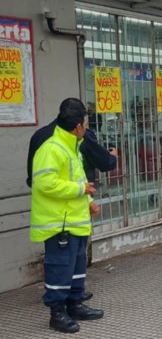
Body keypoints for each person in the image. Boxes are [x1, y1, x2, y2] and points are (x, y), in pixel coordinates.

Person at [26, 98, 117, 302]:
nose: (86, 128)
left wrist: (88, 201)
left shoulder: (71, 146)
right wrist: (80, 189)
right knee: (60, 270)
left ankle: (75, 304)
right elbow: (43, 183)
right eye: (85, 124)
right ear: (77, 127)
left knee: (76, 267)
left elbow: (76, 179)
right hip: (60, 221)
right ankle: (58, 313)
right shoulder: (53, 147)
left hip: (74, 218)